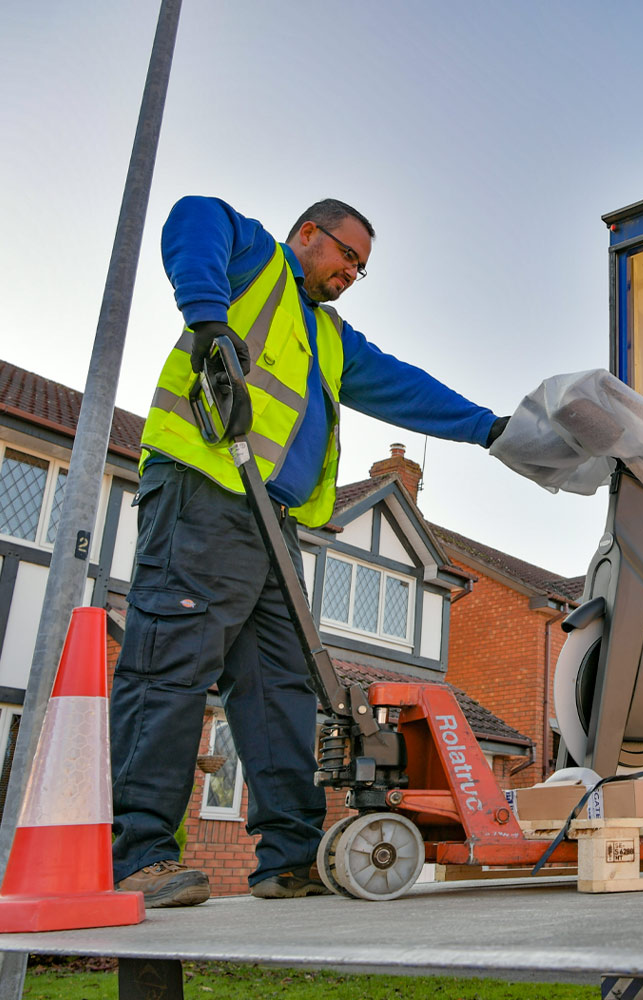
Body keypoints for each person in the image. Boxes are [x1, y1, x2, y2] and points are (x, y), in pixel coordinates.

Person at [110, 196, 509, 907]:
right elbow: (193, 215)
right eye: (346, 255)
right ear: (308, 234)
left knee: (279, 689)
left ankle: (287, 860)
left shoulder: (330, 337)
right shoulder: (257, 258)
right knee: (170, 665)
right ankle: (140, 855)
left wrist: (489, 428)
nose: (352, 273)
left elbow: (402, 384)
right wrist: (207, 317)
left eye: (362, 267)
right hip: (203, 492)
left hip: (273, 523)